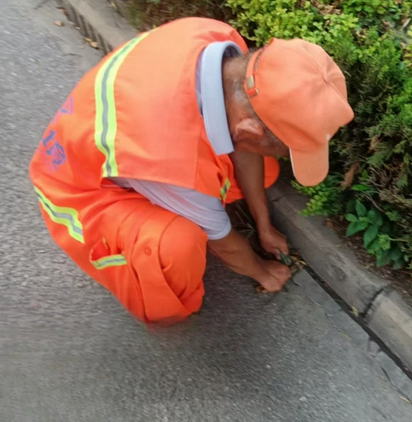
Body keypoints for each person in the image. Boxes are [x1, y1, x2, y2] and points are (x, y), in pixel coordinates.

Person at [29, 17, 354, 324]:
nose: (287, 157)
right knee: (177, 243)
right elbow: (224, 244)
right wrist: (263, 272)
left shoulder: (222, 48)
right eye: (287, 149)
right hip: (77, 190)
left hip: (113, 134)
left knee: (255, 170)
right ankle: (159, 305)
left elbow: (244, 144)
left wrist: (263, 225)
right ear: (251, 130)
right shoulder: (167, 154)